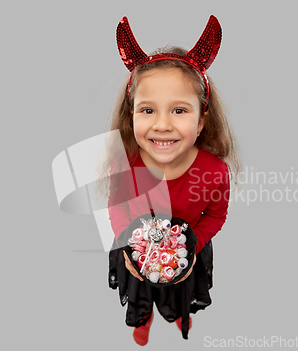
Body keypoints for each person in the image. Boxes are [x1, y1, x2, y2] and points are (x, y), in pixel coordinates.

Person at [102, 16, 242, 346]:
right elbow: (116, 205)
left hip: (186, 253)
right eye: (148, 110)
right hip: (135, 251)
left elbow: (216, 215)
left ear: (202, 117)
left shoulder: (214, 171)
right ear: (131, 113)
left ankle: (179, 313)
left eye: (179, 110)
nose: (162, 125)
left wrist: (193, 246)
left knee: (181, 293)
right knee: (140, 291)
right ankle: (142, 318)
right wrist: (126, 241)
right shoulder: (124, 164)